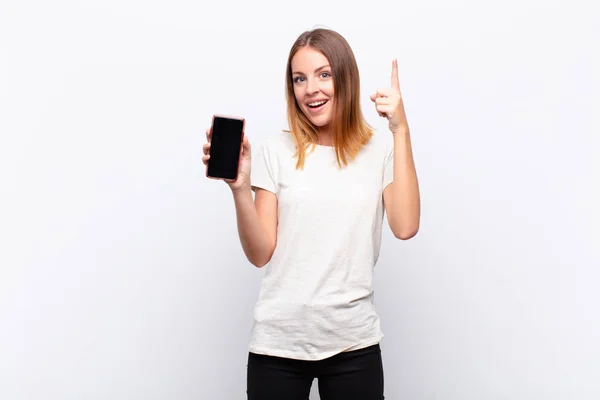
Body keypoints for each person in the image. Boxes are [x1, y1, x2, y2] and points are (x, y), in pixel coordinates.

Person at [202, 28, 420, 400]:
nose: (310, 89)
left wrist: (400, 129)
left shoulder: (379, 149)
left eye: (323, 74)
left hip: (353, 342)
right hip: (278, 343)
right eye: (299, 79)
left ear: (345, 77)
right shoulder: (276, 149)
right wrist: (240, 189)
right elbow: (259, 253)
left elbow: (405, 226)